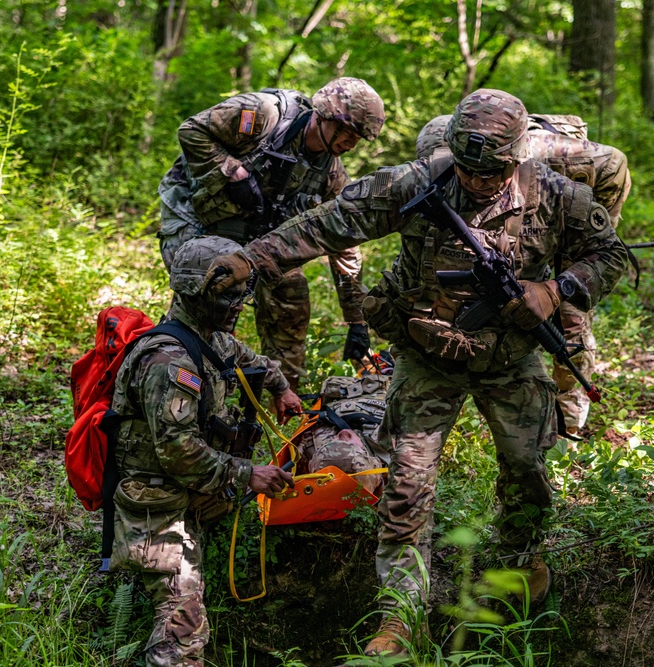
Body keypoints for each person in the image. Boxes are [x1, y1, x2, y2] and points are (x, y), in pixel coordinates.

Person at [202, 89, 629, 657]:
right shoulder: (416, 182)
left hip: (510, 359)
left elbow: (611, 255)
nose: (477, 182)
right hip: (428, 358)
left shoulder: (557, 194)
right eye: (468, 169)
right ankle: (400, 617)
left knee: (526, 473)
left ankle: (517, 575)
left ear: (516, 156)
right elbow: (333, 221)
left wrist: (555, 290)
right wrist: (251, 258)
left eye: (491, 171)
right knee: (405, 485)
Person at [108, 236, 302, 667]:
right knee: (184, 631)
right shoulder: (169, 362)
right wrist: (247, 473)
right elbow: (177, 452)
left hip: (199, 489)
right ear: (195, 292)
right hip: (158, 502)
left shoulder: (212, 340)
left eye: (242, 294)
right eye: (226, 296)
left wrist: (282, 389)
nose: (238, 305)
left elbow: (255, 361)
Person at [156, 78, 386, 390]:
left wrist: (356, 320)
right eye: (347, 131)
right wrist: (231, 171)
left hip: (254, 235)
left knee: (292, 294)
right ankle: (181, 379)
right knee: (210, 292)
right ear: (324, 115)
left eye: (358, 138)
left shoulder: (331, 175)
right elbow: (191, 131)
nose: (352, 143)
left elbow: (344, 241)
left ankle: (282, 392)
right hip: (196, 217)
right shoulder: (262, 116)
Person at [416, 113, 632, 434]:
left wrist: (577, 247)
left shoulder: (547, 155)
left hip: (576, 206)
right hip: (525, 211)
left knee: (568, 316)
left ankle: (568, 422)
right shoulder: (452, 157)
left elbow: (614, 163)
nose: (470, 180)